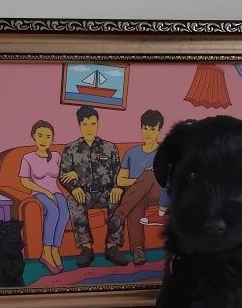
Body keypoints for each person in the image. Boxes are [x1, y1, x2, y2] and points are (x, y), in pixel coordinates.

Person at [59, 106, 126, 267]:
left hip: (106, 192)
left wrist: (118, 187)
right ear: (79, 125)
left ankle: (112, 246)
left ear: (98, 124)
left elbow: (119, 173)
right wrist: (75, 187)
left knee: (119, 198)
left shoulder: (110, 148)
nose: (89, 128)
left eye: (93, 124)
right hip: (84, 193)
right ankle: (86, 248)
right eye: (85, 124)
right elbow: (64, 175)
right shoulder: (71, 149)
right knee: (73, 200)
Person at [108, 109, 165, 265]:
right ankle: (138, 250)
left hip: (158, 194)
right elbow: (120, 180)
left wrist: (146, 176)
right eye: (145, 128)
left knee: (150, 173)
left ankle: (119, 216)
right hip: (137, 196)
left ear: (159, 130)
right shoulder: (131, 153)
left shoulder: (164, 151)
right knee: (135, 203)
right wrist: (140, 182)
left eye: (152, 129)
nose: (148, 133)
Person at [19, 120, 69, 273]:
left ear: (52, 139)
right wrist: (45, 192)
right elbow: (24, 181)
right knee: (53, 211)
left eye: (48, 136)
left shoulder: (56, 156)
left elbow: (64, 175)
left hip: (56, 192)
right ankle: (46, 251)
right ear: (34, 136)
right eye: (40, 135)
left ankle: (55, 249)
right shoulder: (28, 158)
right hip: (38, 193)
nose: (44, 140)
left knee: (65, 211)